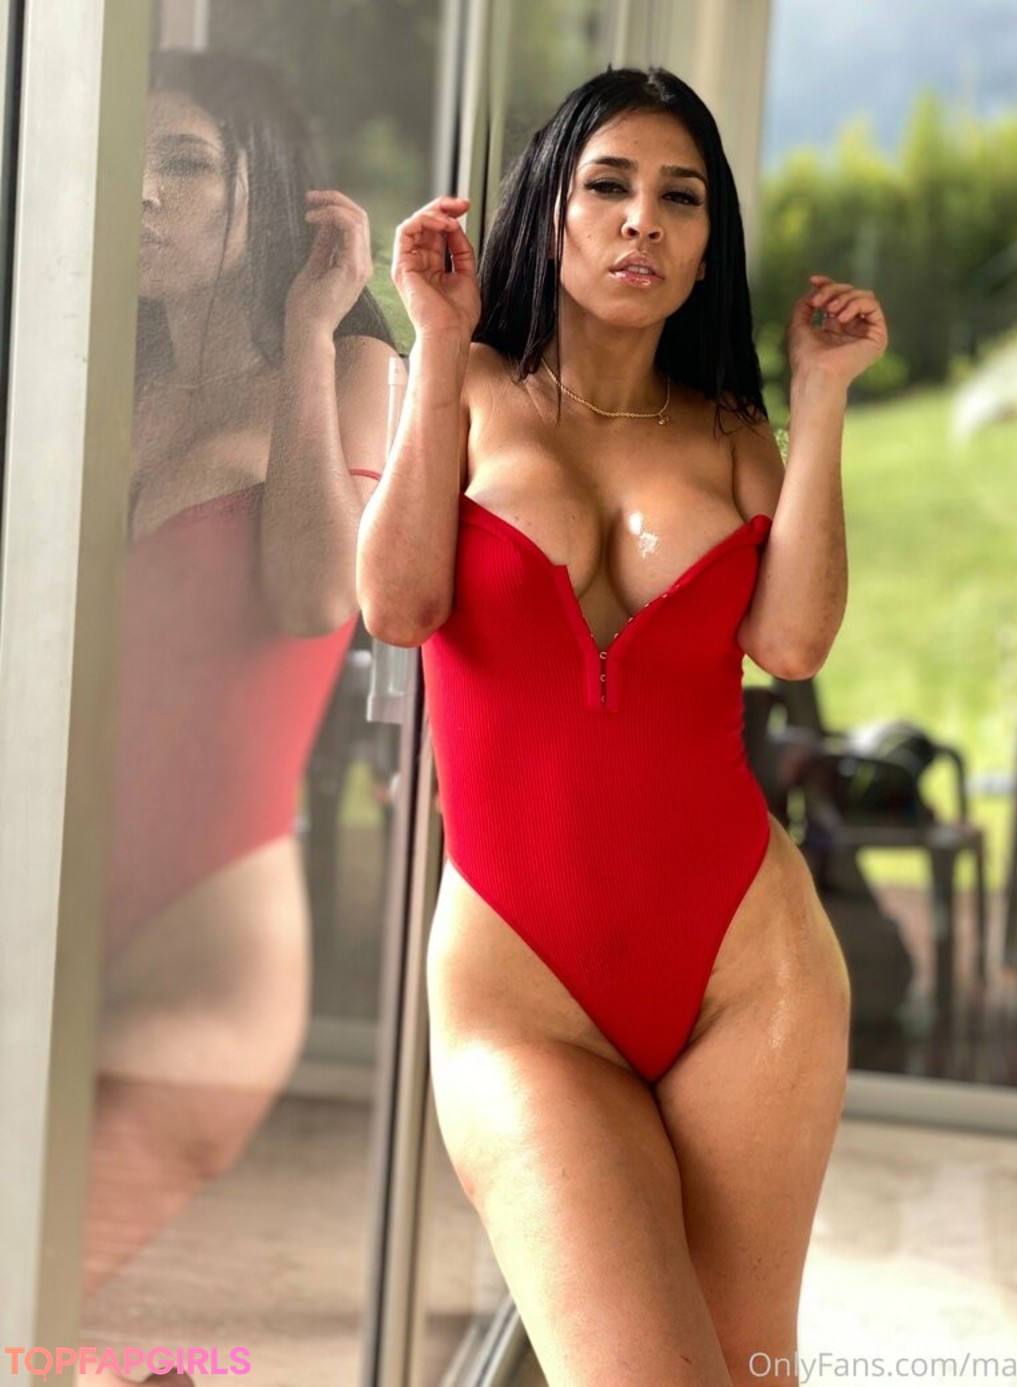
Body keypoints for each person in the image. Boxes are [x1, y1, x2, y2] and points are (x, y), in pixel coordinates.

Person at [359, 65, 888, 1387]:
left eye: (680, 197)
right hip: (519, 989)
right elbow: (399, 604)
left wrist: (821, 396)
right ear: (552, 211)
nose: (643, 219)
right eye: (609, 185)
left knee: (750, 1369)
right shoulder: (464, 388)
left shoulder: (732, 435)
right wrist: (436, 339)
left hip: (748, 971)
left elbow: (794, 644)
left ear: (708, 248)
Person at [85, 50, 400, 1387]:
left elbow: (317, 595)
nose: (146, 195)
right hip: (55, 924)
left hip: (202, 951)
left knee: (26, 1276)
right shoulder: (108, 374)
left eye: (187, 163)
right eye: (132, 163)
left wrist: (315, 334)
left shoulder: (351, 363)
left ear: (264, 188)